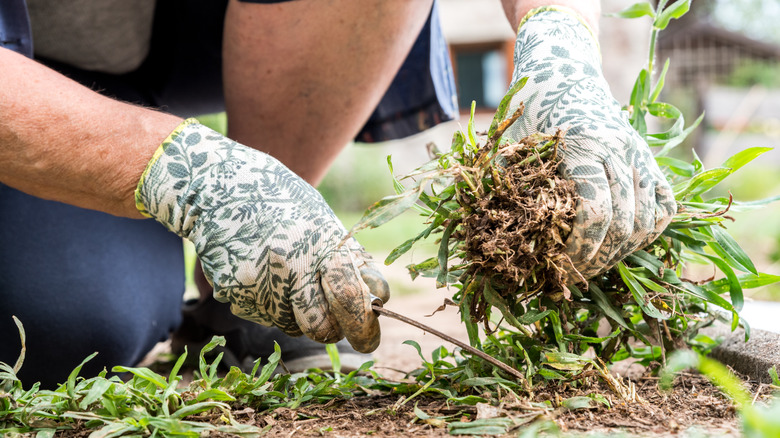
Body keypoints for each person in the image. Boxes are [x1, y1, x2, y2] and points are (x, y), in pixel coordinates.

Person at [0, 0, 675, 388]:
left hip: (198, 31)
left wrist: (559, 39)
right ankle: (214, 207)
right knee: (65, 327)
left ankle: (251, 291)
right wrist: (176, 169)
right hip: (21, 71)